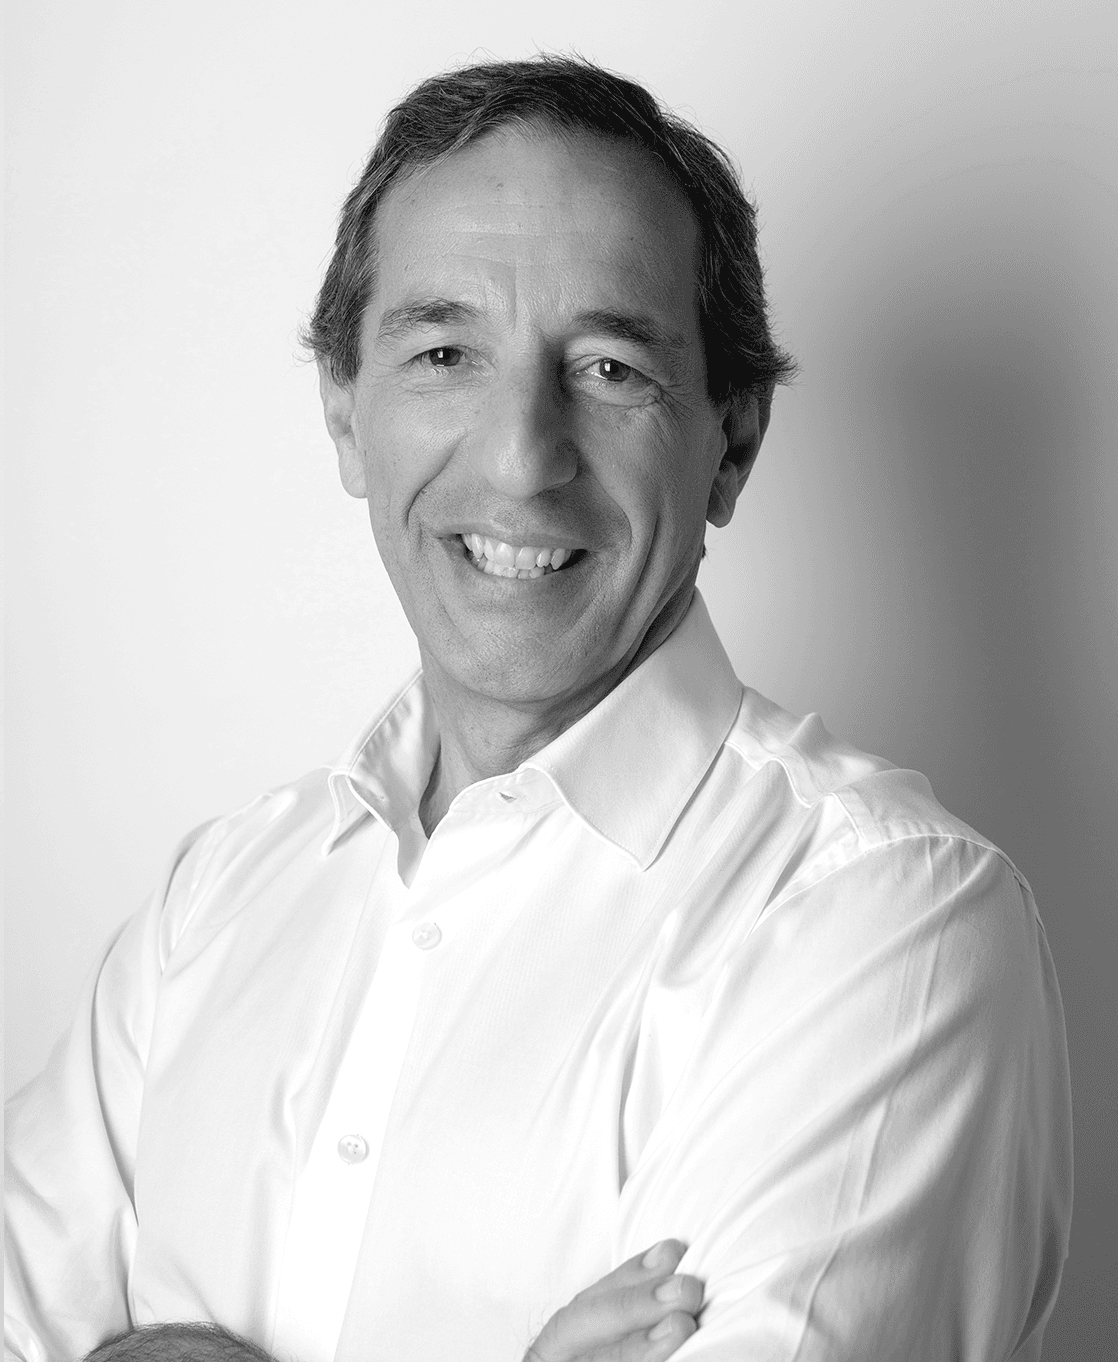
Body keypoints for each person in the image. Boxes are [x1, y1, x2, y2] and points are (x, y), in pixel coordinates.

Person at [5, 55, 1072, 1362]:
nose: (520, 453)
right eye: (445, 351)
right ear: (345, 410)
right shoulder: (207, 912)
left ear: (729, 439)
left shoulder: (887, 926)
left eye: (611, 367)